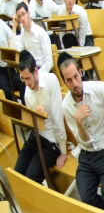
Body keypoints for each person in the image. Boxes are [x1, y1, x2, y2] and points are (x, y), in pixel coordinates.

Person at [58, 53, 104, 208]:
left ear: (80, 72)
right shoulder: (66, 105)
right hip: (85, 155)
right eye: (69, 80)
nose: (75, 83)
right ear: (64, 82)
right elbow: (84, 142)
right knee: (86, 199)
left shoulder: (97, 89)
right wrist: (79, 122)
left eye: (76, 76)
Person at [14, 50, 68, 182]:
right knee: (17, 173)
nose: (26, 83)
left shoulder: (50, 80)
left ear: (36, 71)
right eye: (23, 78)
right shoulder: (27, 90)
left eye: (28, 78)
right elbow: (31, 122)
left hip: (51, 141)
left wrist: (63, 151)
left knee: (31, 178)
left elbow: (57, 117)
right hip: (36, 136)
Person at [13, 3, 52, 74]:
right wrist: (14, 28)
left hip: (42, 70)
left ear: (28, 13)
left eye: (23, 14)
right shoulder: (23, 34)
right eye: (19, 16)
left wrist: (36, 75)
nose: (22, 18)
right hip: (29, 70)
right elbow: (17, 51)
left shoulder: (41, 33)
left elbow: (49, 63)